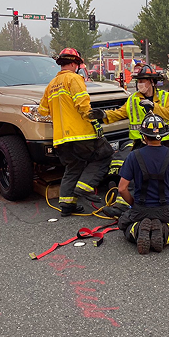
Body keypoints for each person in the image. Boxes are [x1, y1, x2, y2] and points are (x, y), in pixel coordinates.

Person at [90, 64, 169, 210]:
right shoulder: (134, 99)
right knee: (135, 171)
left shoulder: (167, 97)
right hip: (143, 142)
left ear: (152, 82)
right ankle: (122, 206)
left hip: (167, 141)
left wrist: (153, 106)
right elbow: (121, 113)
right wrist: (104, 115)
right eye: (139, 81)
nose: (140, 84)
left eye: (144, 81)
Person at [39, 48, 114, 216]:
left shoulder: (51, 85)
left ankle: (67, 206)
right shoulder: (74, 78)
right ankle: (85, 187)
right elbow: (83, 104)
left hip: (60, 138)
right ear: (73, 63)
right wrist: (94, 121)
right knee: (105, 155)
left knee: (73, 167)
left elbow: (42, 111)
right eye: (77, 64)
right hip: (81, 134)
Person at [117, 113, 169, 254]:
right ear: (163, 135)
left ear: (144, 136)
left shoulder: (134, 156)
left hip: (140, 209)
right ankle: (164, 231)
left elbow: (122, 189)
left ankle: (138, 229)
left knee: (123, 224)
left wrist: (134, 204)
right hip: (166, 209)